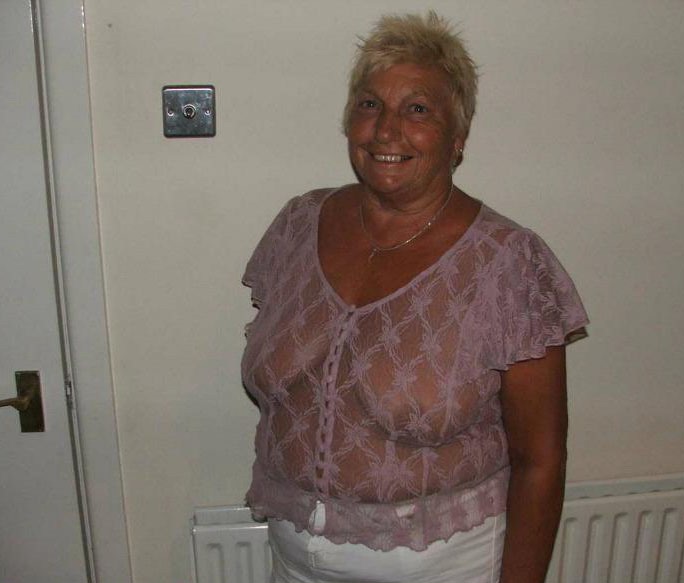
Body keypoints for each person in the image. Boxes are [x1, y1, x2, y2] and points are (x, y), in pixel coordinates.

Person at [241, 11, 588, 583]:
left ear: (458, 139)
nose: (386, 130)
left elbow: (541, 461)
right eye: (369, 104)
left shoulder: (508, 262)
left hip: (441, 566)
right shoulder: (298, 224)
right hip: (293, 558)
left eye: (418, 109)